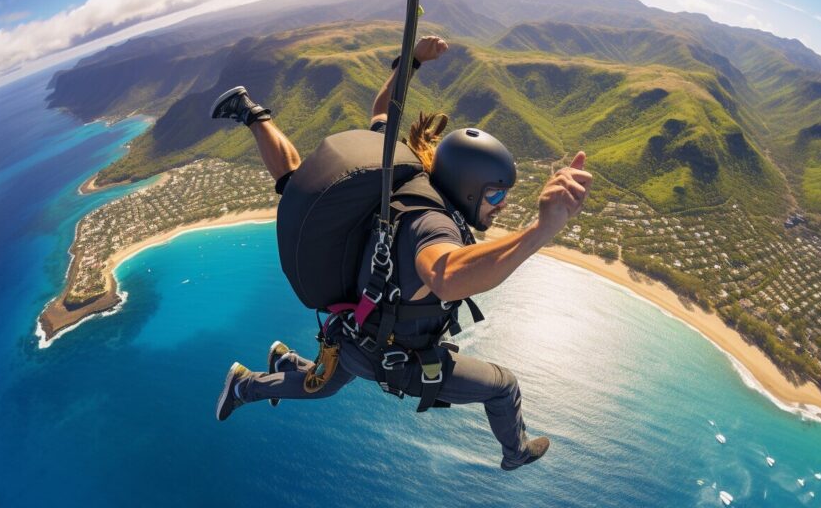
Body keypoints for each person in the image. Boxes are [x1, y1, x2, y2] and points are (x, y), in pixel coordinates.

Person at [210, 36, 593, 471]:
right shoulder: (433, 224)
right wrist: (541, 230)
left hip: (356, 325)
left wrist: (411, 62)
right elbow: (446, 273)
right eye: (496, 193)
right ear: (468, 187)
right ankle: (516, 451)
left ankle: (253, 115)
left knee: (293, 184)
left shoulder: (402, 168)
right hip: (385, 352)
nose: (502, 203)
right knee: (503, 387)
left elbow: (382, 111)